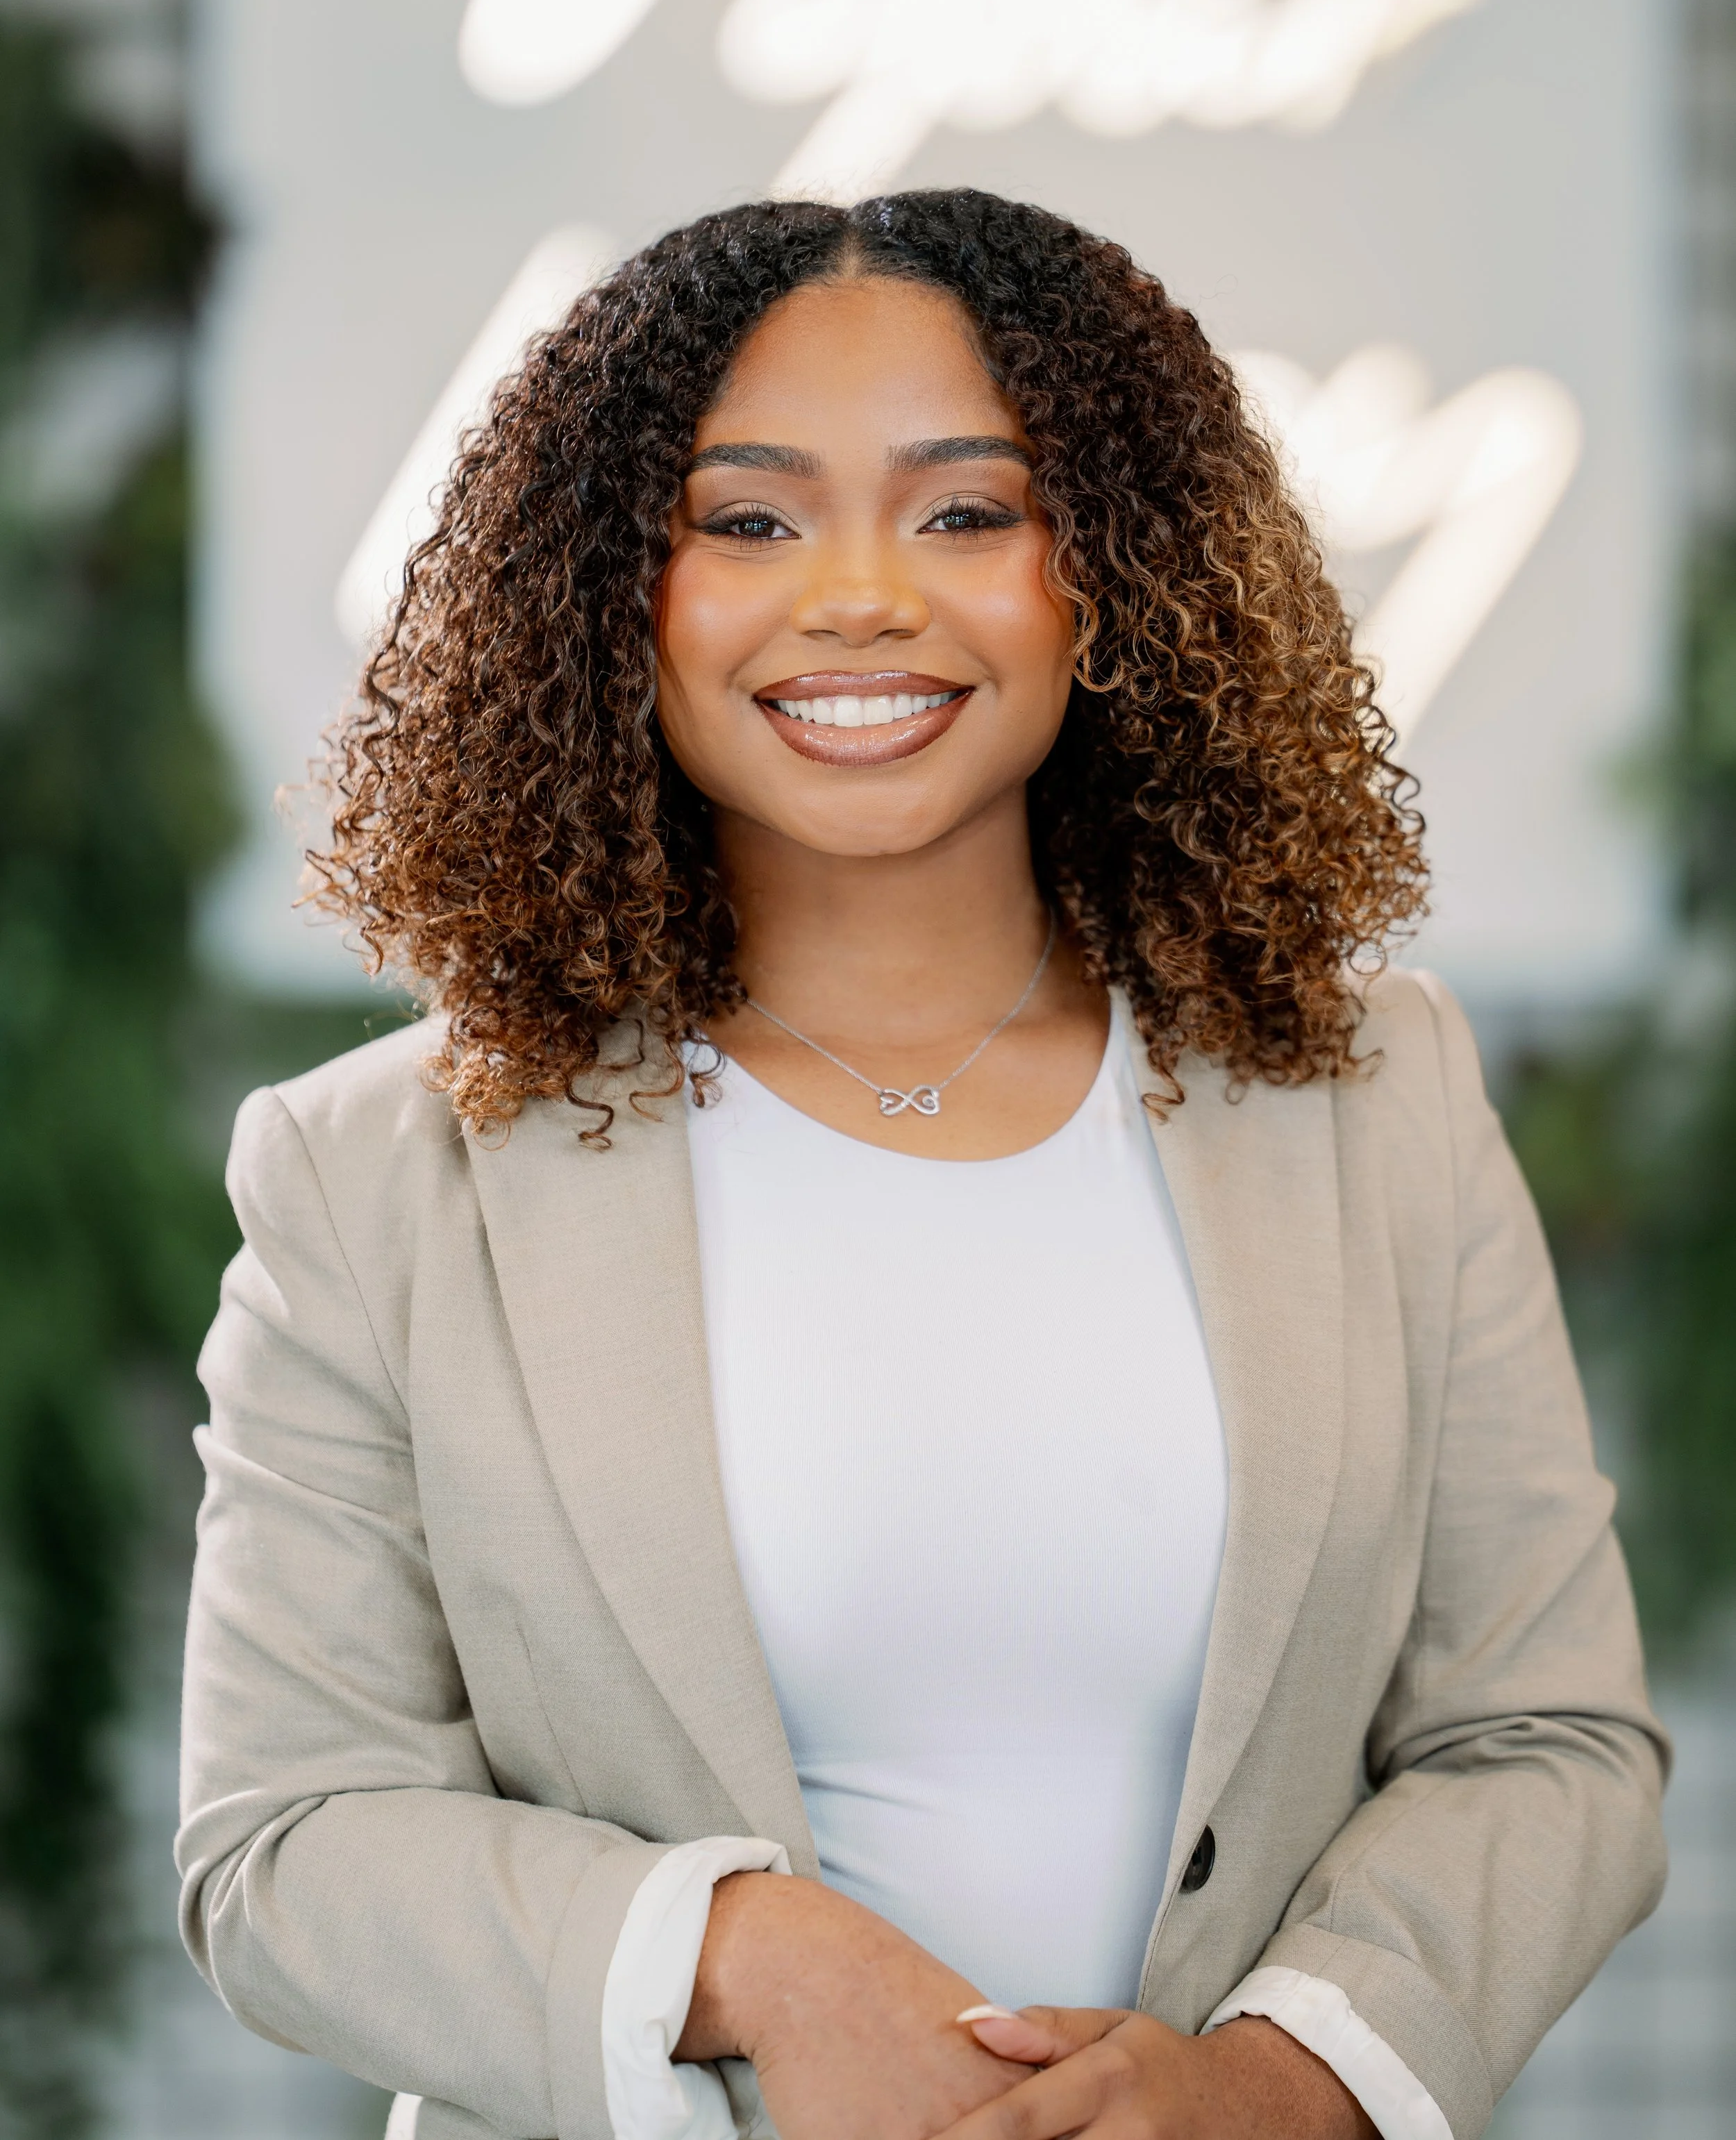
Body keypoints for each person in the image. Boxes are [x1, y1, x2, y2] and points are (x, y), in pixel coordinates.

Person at [177, 190, 1667, 2140]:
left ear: (1117, 571)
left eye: (967, 511)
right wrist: (752, 1958)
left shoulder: (1371, 1090)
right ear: (610, 587)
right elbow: (281, 1843)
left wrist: (1279, 2082)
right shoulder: (372, 1177)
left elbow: (1542, 1741)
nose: (862, 593)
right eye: (747, 518)